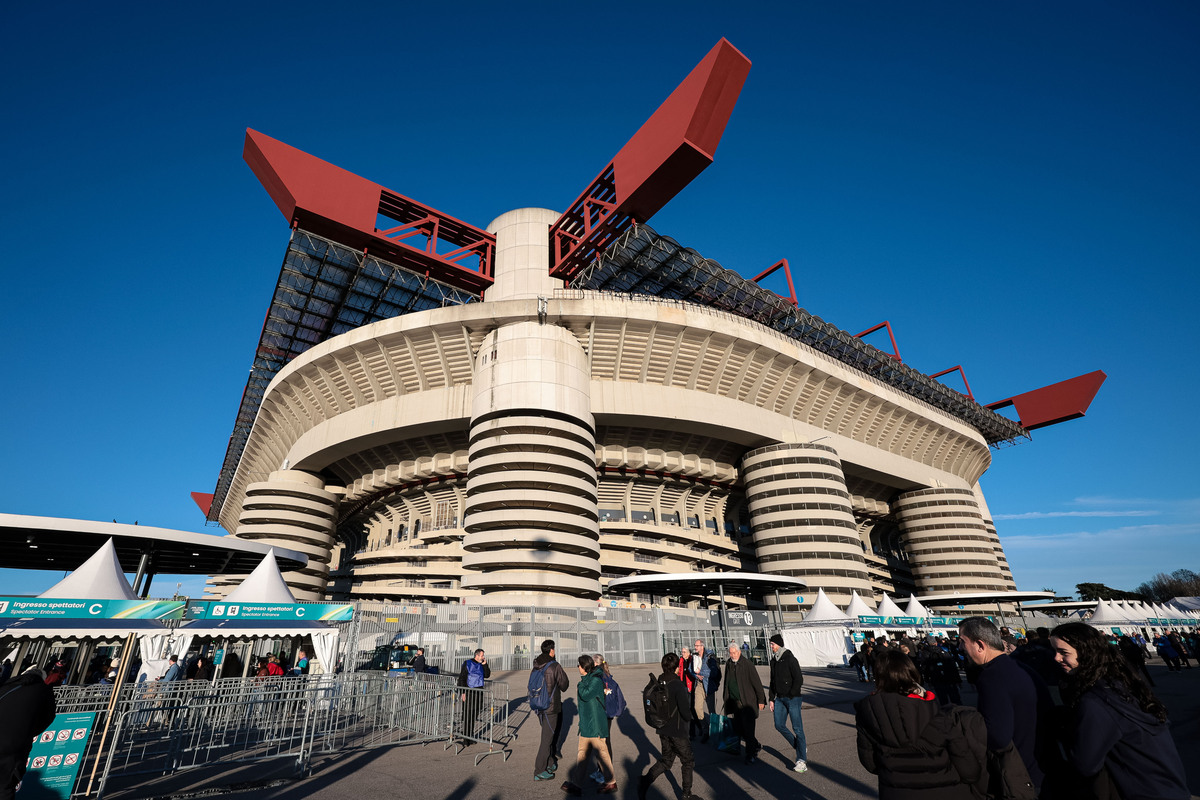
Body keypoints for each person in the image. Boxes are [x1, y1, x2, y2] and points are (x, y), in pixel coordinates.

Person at [1050, 623, 1188, 800]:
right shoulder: (1122, 682)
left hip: (1139, 790)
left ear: (1086, 652)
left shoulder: (1096, 701)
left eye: (1063, 652)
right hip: (1169, 785)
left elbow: (1085, 764)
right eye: (1054, 651)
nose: (1056, 658)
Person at [855, 650, 987, 800]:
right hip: (946, 790)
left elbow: (870, 762)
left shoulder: (869, 713)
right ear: (910, 671)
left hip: (897, 791)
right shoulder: (935, 710)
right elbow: (968, 767)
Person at [958, 617, 1049, 796]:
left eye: (962, 642)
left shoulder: (992, 677)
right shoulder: (1022, 668)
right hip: (1042, 766)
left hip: (1021, 774)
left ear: (980, 644)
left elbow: (997, 737)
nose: (960, 648)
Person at [637, 653, 696, 800]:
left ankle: (645, 781)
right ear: (677, 667)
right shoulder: (677, 685)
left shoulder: (659, 682)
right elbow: (685, 712)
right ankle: (686, 794)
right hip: (678, 731)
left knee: (666, 761)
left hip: (663, 729)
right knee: (688, 761)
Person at [0, 667, 57, 800]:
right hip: (13, 745)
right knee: (5, 785)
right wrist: (27, 731)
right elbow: (48, 718)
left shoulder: (6, 686)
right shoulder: (43, 690)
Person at [562, 655, 616, 795]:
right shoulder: (589, 679)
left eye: (579, 665)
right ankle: (576, 784)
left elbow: (585, 694)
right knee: (582, 756)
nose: (578, 668)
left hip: (595, 726)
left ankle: (611, 783)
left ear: (584, 667)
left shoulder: (596, 680)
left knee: (602, 755)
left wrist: (580, 685)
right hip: (587, 725)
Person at [767, 633, 807, 773]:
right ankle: (799, 746)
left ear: (778, 644)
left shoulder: (790, 659)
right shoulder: (774, 661)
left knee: (797, 729)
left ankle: (801, 760)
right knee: (779, 725)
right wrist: (771, 698)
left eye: (772, 644)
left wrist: (792, 693)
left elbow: (799, 678)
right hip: (779, 698)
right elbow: (772, 681)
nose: (771, 646)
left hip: (792, 698)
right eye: (770, 644)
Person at [722, 642, 766, 764]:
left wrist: (761, 700)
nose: (732, 655)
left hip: (747, 703)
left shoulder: (747, 664)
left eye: (734, 652)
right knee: (738, 729)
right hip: (735, 703)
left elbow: (757, 683)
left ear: (739, 652)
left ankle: (750, 754)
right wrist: (725, 697)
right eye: (730, 653)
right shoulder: (729, 664)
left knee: (748, 729)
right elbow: (727, 681)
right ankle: (755, 744)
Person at [532, 639, 569, 781]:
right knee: (547, 740)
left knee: (548, 736)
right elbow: (564, 685)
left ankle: (550, 762)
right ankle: (539, 770)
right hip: (551, 707)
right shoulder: (554, 666)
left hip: (539, 705)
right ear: (551, 650)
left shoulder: (536, 665)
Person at [588, 655, 625, 785]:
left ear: (596, 664)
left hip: (602, 714)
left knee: (603, 743)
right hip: (606, 713)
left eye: (592, 664)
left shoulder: (599, 677)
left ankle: (606, 773)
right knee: (602, 742)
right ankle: (601, 770)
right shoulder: (606, 676)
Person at [457, 648, 491, 744]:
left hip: (478, 691)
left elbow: (487, 675)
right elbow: (462, 678)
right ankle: (466, 738)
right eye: (482, 655)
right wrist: (463, 692)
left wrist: (485, 665)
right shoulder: (468, 663)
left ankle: (470, 736)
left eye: (483, 655)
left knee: (474, 714)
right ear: (476, 655)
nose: (483, 657)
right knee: (468, 715)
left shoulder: (481, 664)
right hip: (469, 691)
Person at [685, 639, 714, 741]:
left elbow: (713, 672)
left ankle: (714, 731)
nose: (695, 647)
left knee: (711, 711)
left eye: (697, 645)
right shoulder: (695, 657)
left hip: (709, 685)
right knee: (697, 708)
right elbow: (690, 669)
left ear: (702, 646)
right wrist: (696, 675)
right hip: (699, 685)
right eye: (695, 645)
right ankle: (705, 729)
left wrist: (701, 673)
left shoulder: (709, 656)